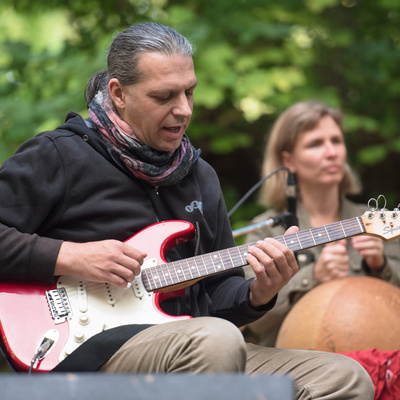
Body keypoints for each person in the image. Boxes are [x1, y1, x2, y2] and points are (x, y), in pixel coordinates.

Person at [0, 23, 374, 399]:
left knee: (345, 377)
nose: (183, 109)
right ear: (118, 94)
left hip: (198, 345)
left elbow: (216, 295)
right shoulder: (59, 155)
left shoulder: (198, 176)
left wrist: (260, 292)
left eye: (189, 92)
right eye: (164, 96)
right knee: (216, 340)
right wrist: (71, 256)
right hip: (87, 354)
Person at [244, 100, 400, 347]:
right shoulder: (266, 231)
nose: (331, 152)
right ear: (289, 160)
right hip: (299, 371)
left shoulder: (379, 221)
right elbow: (255, 322)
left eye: (336, 141)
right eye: (315, 144)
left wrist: (381, 267)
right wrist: (312, 277)